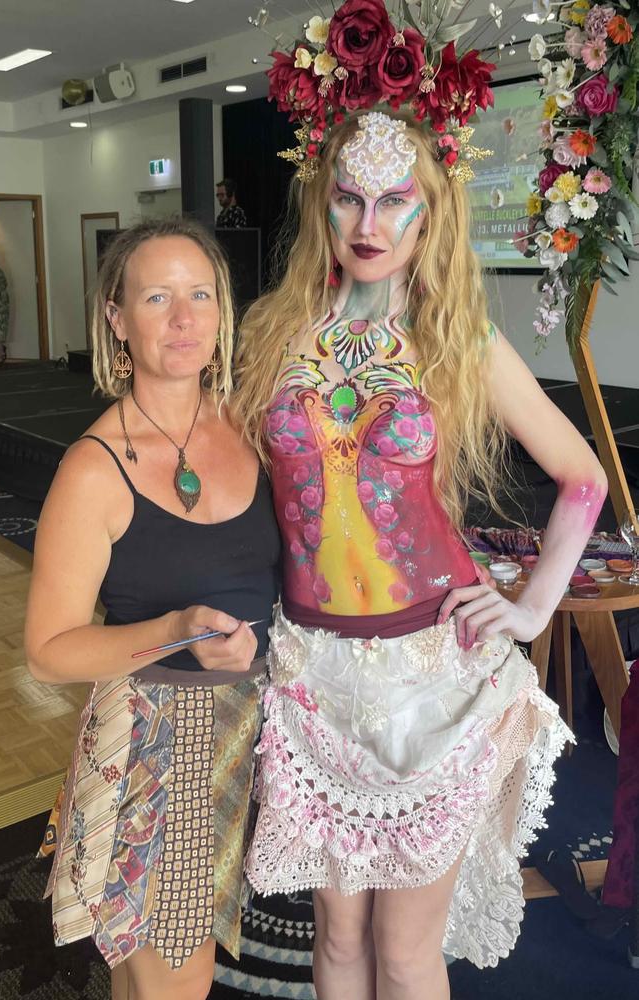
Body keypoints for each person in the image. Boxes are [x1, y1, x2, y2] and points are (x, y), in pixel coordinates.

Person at [232, 39, 608, 1000]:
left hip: (430, 683)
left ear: (427, 212)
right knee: (337, 944)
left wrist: (530, 611)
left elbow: (583, 480)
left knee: (403, 953)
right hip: (312, 673)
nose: (369, 221)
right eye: (351, 196)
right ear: (323, 201)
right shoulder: (277, 330)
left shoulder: (458, 337)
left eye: (395, 199)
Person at [24, 216, 280, 1000]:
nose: (183, 318)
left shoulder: (254, 423)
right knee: (176, 980)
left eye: (200, 294)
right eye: (158, 296)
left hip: (252, 726)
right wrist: (174, 632)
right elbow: (50, 650)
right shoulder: (93, 468)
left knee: (152, 980)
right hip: (161, 743)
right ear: (117, 317)